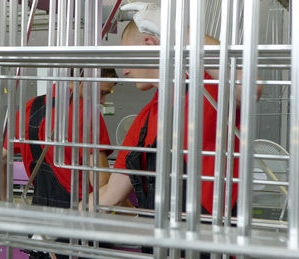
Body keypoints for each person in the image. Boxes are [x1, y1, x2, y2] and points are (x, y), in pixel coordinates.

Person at [85, 0, 262, 239]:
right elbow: (109, 195)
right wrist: (61, 226)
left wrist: (178, 31)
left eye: (127, 58)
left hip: (212, 246)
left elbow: (250, 88)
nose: (124, 71)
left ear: (150, 43)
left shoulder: (207, 90)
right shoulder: (144, 120)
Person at [2, 68, 118, 208]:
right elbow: (101, 183)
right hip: (80, 209)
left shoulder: (30, 107)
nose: (102, 101)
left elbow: (0, 157)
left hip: (39, 208)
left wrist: (4, 201)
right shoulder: (88, 114)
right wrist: (132, 213)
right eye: (101, 93)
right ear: (83, 82)